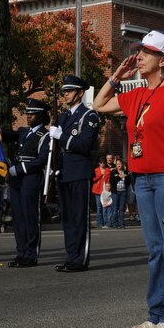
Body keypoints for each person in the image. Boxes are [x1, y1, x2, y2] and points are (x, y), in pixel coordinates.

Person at [93, 30, 164, 328]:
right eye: (138, 51)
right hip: (143, 180)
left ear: (162, 60)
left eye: (146, 52)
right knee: (155, 250)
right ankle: (157, 314)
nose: (138, 56)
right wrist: (117, 76)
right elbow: (100, 104)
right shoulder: (137, 93)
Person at [49, 75, 99, 272]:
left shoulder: (89, 116)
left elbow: (85, 144)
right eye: (64, 92)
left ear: (80, 93)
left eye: (69, 91)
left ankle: (80, 258)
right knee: (67, 218)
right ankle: (71, 256)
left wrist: (62, 136)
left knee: (79, 217)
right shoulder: (62, 117)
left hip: (79, 170)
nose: (65, 95)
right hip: (64, 171)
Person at [0, 97, 50, 268]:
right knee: (19, 218)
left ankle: (31, 254)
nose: (28, 117)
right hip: (16, 182)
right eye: (27, 114)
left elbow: (42, 159)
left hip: (30, 180)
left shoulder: (45, 135)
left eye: (32, 114)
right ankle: (21, 253)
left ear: (41, 116)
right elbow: (5, 135)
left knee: (30, 218)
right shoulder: (22, 132)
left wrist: (20, 169)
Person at [109, 157, 131, 229]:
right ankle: (115, 224)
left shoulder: (126, 172)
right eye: (117, 164)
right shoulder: (113, 172)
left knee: (122, 209)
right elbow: (111, 181)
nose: (119, 165)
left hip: (123, 192)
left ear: (122, 164)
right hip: (115, 192)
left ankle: (121, 224)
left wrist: (126, 177)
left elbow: (128, 182)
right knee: (115, 209)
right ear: (116, 165)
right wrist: (119, 177)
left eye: (120, 164)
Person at [92, 157, 111, 229]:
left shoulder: (108, 170)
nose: (102, 164)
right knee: (99, 207)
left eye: (104, 163)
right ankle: (99, 224)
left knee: (105, 207)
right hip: (97, 191)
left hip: (105, 192)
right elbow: (93, 179)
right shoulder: (96, 170)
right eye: (101, 163)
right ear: (99, 163)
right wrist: (100, 174)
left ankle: (106, 223)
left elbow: (109, 180)